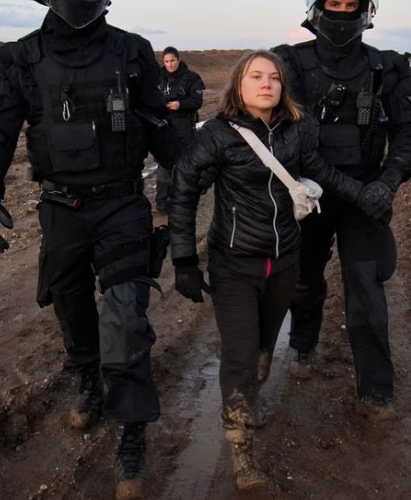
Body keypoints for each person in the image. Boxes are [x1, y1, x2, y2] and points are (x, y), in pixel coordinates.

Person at [0, 0, 180, 500]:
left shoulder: (133, 51)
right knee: (69, 304)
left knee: (125, 318)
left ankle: (131, 434)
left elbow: (162, 126)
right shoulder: (18, 59)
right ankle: (86, 378)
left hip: (122, 205)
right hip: (61, 207)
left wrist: (190, 175)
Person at [168, 51, 392, 490]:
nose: (266, 83)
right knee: (240, 352)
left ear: (283, 87)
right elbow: (183, 192)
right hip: (234, 263)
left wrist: (367, 195)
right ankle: (241, 448)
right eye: (256, 76)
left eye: (273, 77)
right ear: (239, 84)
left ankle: (256, 382)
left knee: (264, 348)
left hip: (284, 260)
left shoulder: (298, 130)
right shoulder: (217, 134)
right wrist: (184, 260)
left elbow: (320, 171)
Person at [271, 0, 411, 420]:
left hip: (367, 195)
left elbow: (408, 131)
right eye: (332, 4)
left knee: (367, 288)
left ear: (365, 10)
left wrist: (389, 182)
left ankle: (376, 387)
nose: (340, 13)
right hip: (309, 195)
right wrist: (359, 191)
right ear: (315, 10)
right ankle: (303, 344)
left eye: (349, 5)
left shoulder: (387, 67)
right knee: (304, 279)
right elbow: (292, 141)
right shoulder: (289, 62)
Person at [155, 46, 205, 213]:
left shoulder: (191, 78)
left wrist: (180, 104)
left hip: (184, 124)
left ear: (179, 60)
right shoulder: (157, 78)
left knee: (185, 162)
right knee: (163, 164)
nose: (169, 64)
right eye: (166, 61)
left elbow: (197, 101)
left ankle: (184, 198)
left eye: (172, 61)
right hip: (164, 125)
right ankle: (162, 202)